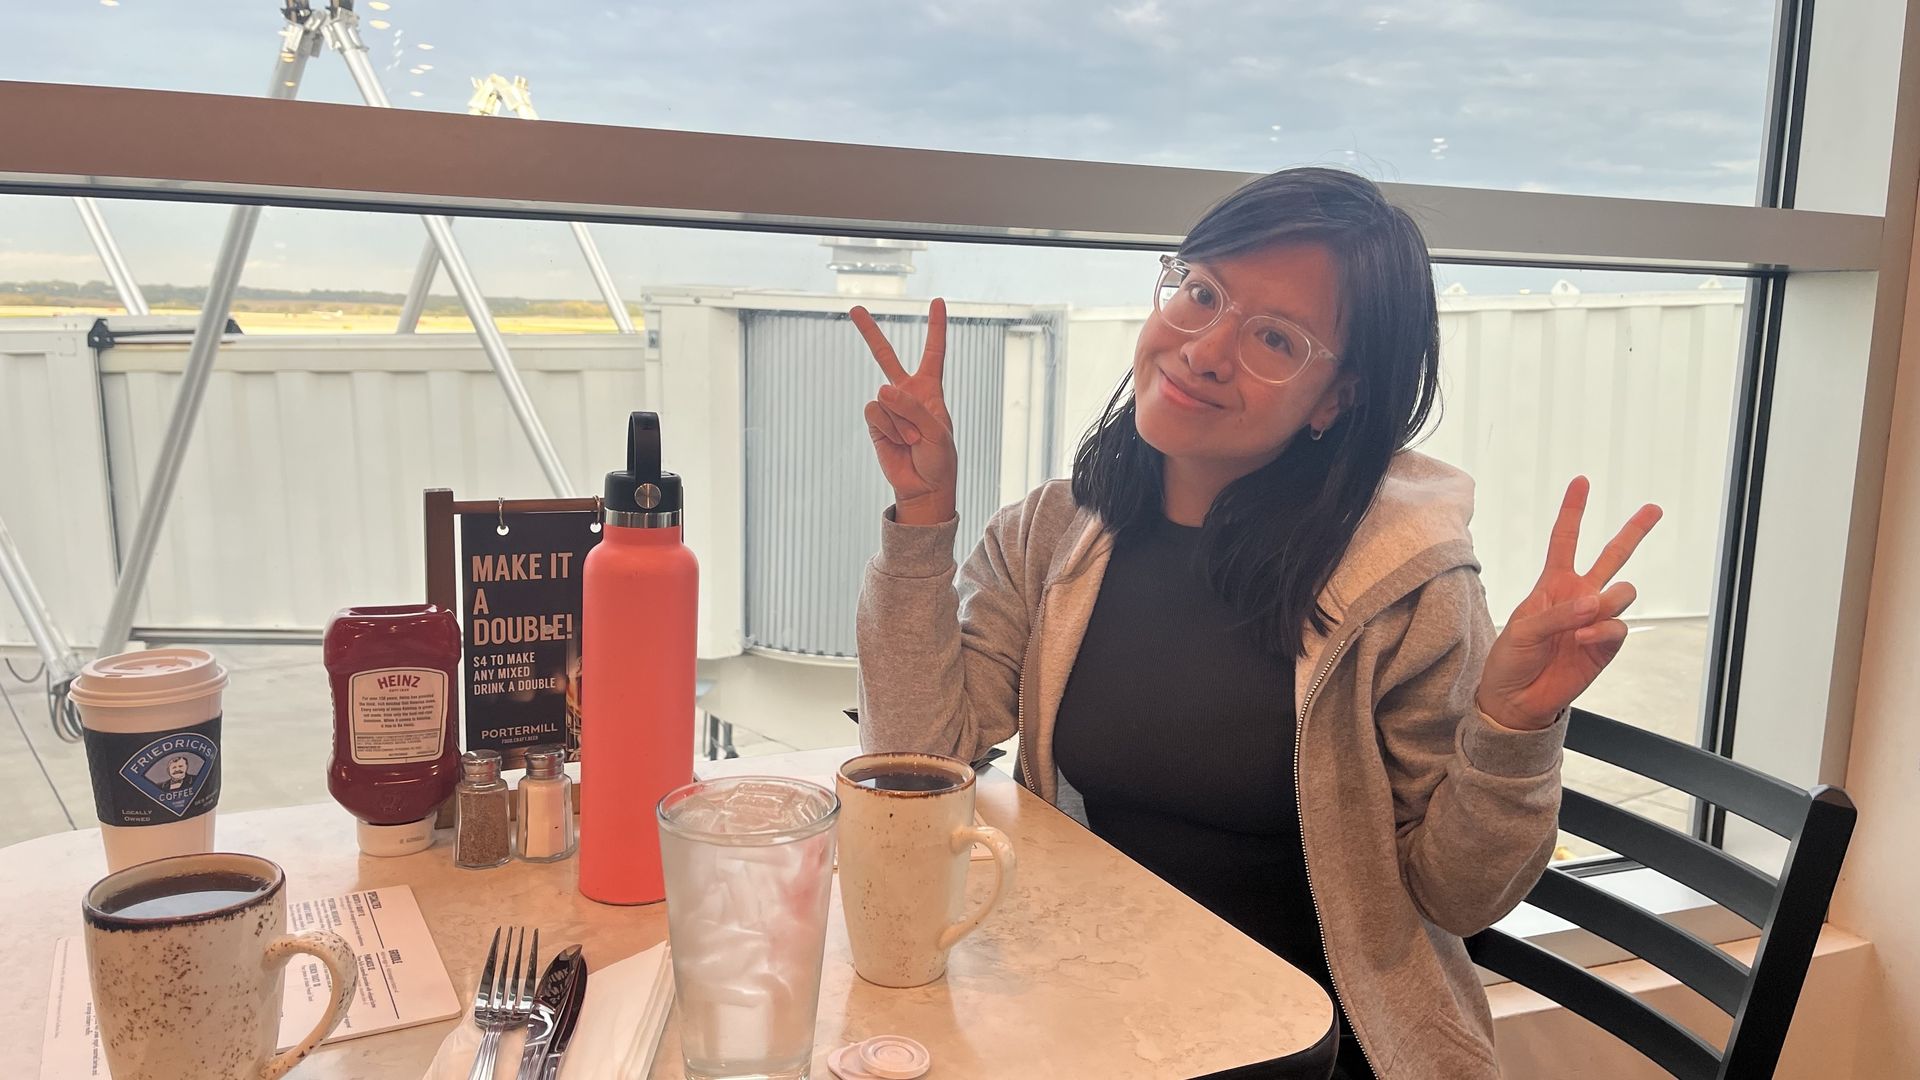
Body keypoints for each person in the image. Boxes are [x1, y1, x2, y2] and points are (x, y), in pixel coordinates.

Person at [849, 167, 1662, 1080]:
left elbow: (1460, 896)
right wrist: (922, 519)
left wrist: (1513, 729)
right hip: (1100, 1007)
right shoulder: (1053, 533)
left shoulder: (1403, 587)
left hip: (1311, 1045)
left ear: (1334, 400)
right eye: (1200, 292)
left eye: (1274, 336)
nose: (1203, 349)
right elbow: (918, 757)